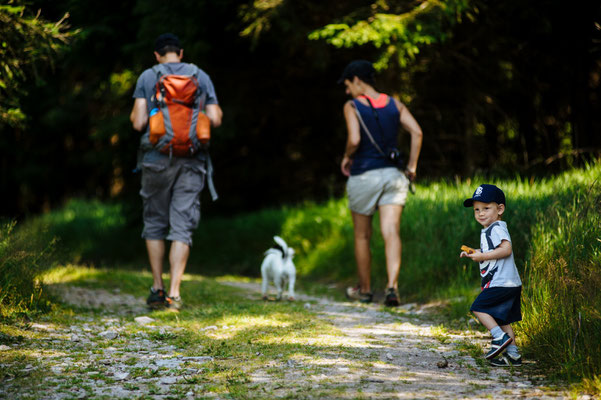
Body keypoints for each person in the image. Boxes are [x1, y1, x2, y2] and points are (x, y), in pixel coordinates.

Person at [130, 33, 223, 311]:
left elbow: (138, 122)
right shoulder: (200, 76)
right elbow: (215, 117)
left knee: (155, 222)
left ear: (157, 55)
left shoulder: (148, 76)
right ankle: (175, 293)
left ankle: (157, 288)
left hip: (156, 159)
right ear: (180, 53)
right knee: (182, 226)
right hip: (192, 161)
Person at [339, 60, 423, 307]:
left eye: (347, 85)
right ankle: (392, 288)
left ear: (357, 80)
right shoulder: (395, 104)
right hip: (394, 177)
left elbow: (354, 139)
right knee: (391, 232)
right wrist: (412, 167)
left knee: (363, 236)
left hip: (365, 175)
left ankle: (365, 290)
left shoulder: (352, 106)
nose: (346, 91)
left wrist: (346, 156)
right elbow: (417, 132)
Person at [460, 184, 523, 366]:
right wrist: (474, 252)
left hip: (502, 283)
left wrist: (483, 256)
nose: (480, 213)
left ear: (500, 209)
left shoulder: (497, 228)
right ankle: (513, 356)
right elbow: (490, 251)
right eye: (477, 209)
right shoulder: (490, 229)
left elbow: (506, 249)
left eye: (486, 208)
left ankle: (499, 338)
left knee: (479, 307)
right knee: (503, 319)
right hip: (509, 283)